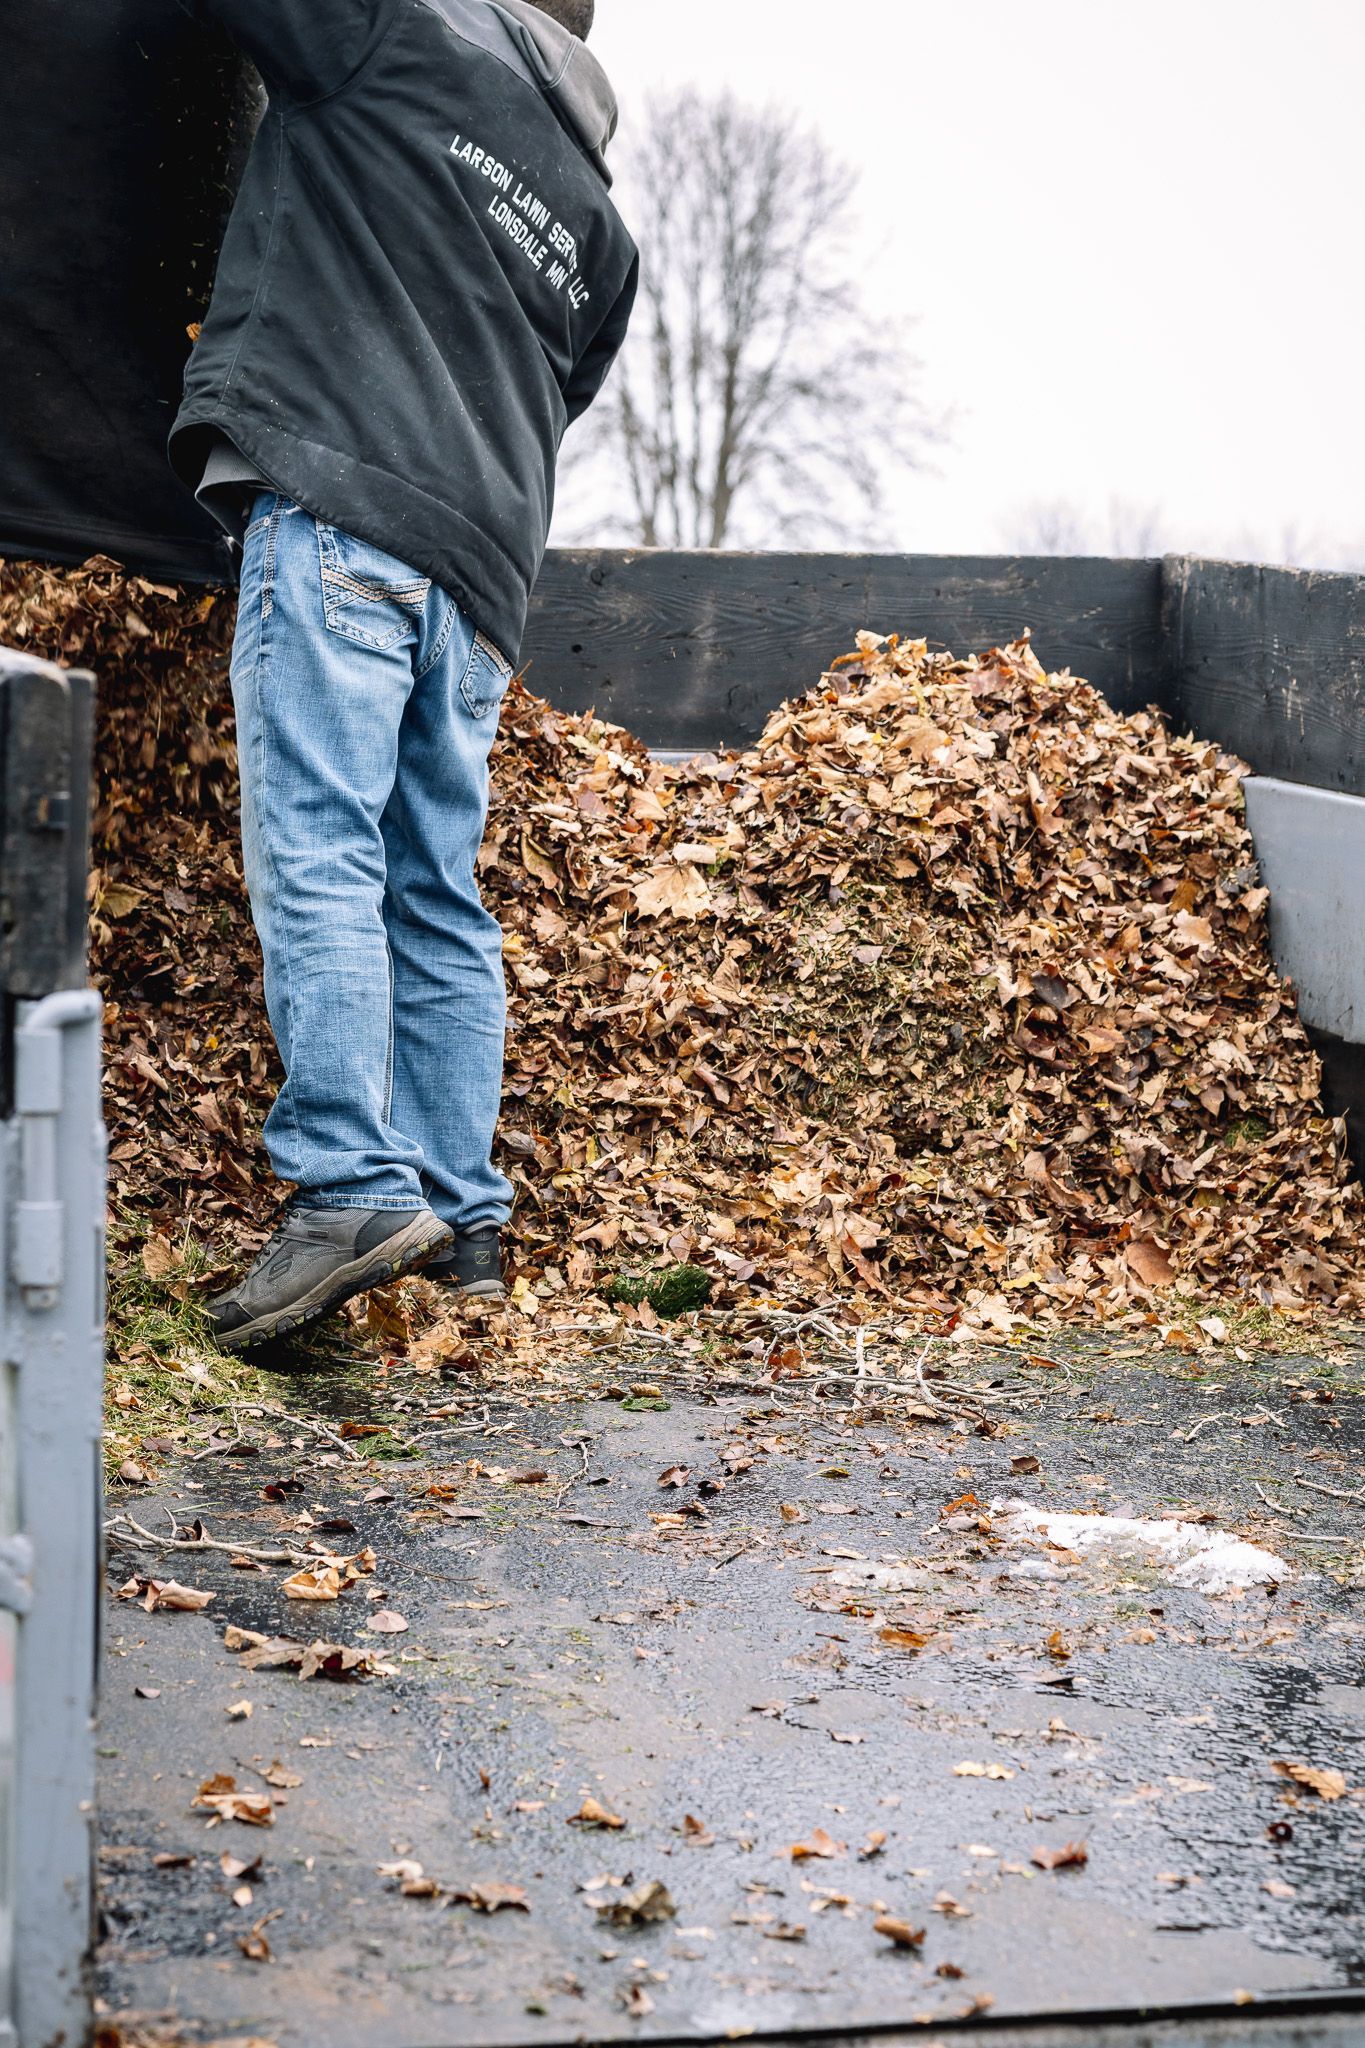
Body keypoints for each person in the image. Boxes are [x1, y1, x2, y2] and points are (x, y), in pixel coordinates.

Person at [165, 0, 638, 1351]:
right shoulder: (600, 226)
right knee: (432, 891)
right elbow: (565, 392)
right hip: (481, 586)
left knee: (318, 849)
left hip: (341, 514)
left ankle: (347, 1191)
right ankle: (461, 1223)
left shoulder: (384, 37)